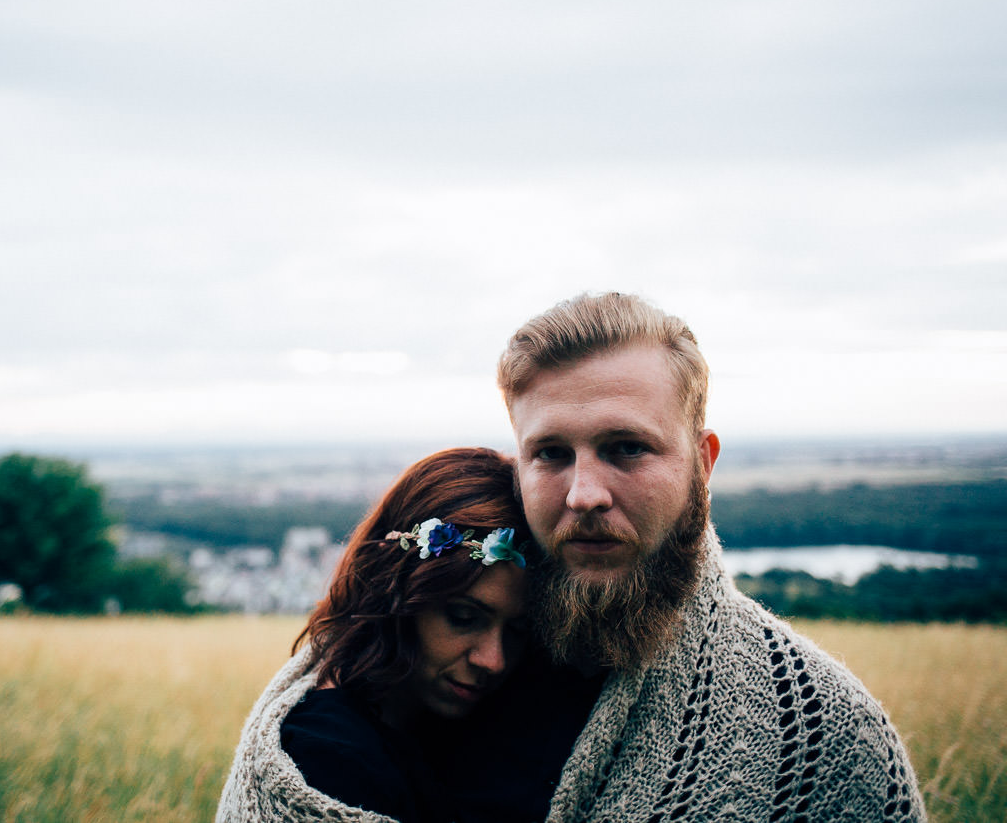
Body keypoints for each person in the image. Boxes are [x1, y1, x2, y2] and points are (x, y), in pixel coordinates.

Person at [497, 292, 926, 821]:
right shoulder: (444, 669)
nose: (584, 494)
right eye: (551, 454)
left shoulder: (825, 733)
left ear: (702, 463)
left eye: (627, 447)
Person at [217, 447, 551, 823]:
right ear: (395, 593)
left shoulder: (455, 722)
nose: (493, 660)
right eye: (462, 617)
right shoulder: (326, 756)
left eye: (518, 631)